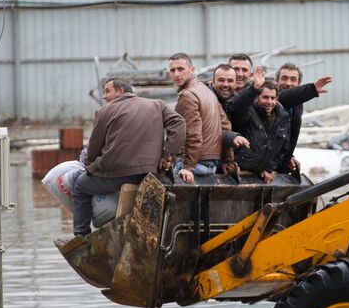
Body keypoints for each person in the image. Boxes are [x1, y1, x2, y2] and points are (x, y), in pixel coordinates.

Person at [70, 76, 185, 237]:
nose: (104, 96)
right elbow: (179, 124)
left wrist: (90, 168)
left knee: (80, 186)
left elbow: (94, 148)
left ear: (120, 91)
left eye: (107, 91)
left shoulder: (104, 111)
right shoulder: (158, 105)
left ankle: (81, 236)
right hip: (151, 174)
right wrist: (168, 155)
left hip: (116, 174)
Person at [168, 52, 241, 182]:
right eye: (172, 70)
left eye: (180, 69)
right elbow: (226, 126)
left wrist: (188, 167)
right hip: (211, 165)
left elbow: (192, 134)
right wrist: (227, 160)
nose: (176, 74)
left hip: (194, 165)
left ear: (192, 70)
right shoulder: (207, 91)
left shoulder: (188, 95)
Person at [226, 67, 294, 182]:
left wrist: (268, 168)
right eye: (265, 97)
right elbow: (238, 107)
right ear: (257, 98)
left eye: (272, 98)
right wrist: (254, 88)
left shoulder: (283, 118)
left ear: (277, 99)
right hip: (241, 171)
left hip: (264, 174)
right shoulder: (247, 113)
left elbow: (283, 150)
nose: (269, 102)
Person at [274, 62, 333, 166]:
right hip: (266, 165)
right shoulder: (271, 100)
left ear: (298, 84)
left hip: (280, 163)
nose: (288, 83)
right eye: (284, 78)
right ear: (276, 81)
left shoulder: (297, 105)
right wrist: (312, 89)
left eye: (293, 79)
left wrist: (288, 157)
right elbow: (284, 98)